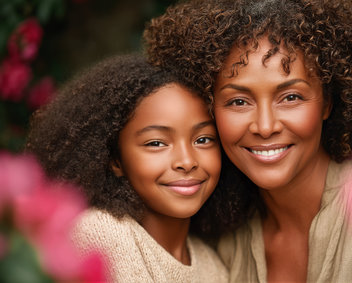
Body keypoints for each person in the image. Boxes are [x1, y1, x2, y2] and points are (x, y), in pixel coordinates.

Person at [143, 0, 352, 282]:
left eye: (290, 97)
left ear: (328, 103)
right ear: (210, 109)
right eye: (238, 102)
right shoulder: (218, 238)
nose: (265, 126)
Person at [25, 54, 229, 283]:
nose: (187, 161)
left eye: (203, 139)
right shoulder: (102, 234)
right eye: (156, 143)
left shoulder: (213, 266)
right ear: (116, 160)